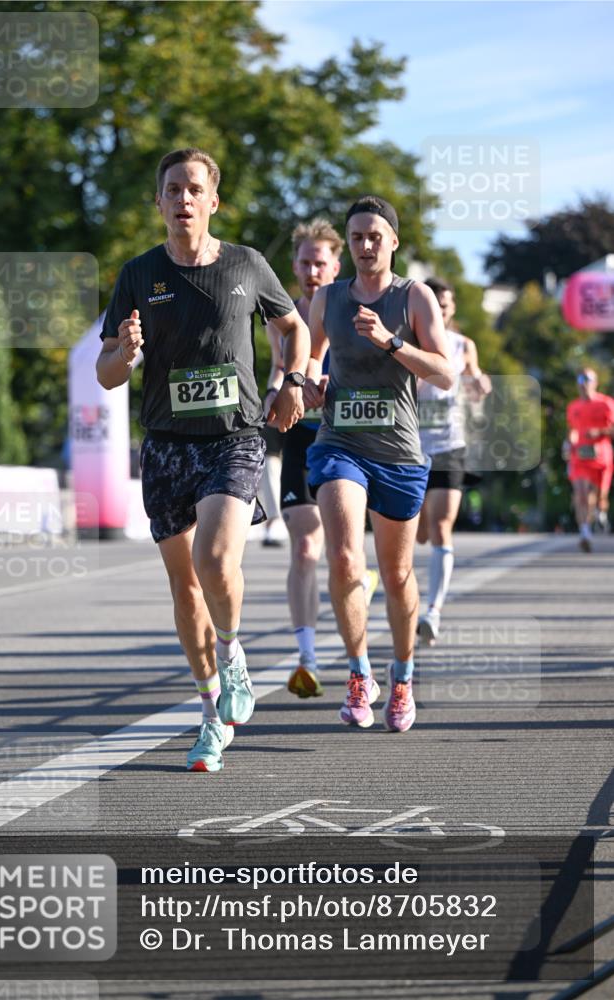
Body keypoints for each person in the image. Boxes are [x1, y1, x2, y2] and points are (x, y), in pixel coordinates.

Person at [96, 147, 309, 771]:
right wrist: (125, 352)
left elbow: (293, 328)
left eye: (194, 188)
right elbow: (107, 374)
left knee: (213, 558)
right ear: (158, 202)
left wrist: (292, 380)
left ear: (213, 201)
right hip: (165, 446)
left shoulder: (247, 265)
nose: (183, 199)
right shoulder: (138, 274)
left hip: (235, 437)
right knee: (185, 588)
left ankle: (235, 650)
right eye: (171, 189)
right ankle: (212, 715)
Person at [304, 195, 452, 732]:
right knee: (344, 558)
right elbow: (307, 354)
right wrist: (307, 383)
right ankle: (359, 672)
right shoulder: (327, 298)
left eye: (375, 236)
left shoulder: (413, 297)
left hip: (400, 454)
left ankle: (404, 675)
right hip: (340, 443)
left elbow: (444, 372)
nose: (366, 245)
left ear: (392, 241)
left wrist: (392, 343)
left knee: (396, 574)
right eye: (357, 237)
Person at [265, 219, 378, 698]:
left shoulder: (354, 309)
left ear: (337, 265)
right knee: (305, 548)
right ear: (295, 267)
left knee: (340, 553)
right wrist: (272, 396)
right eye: (305, 262)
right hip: (300, 437)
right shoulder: (283, 316)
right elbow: (278, 367)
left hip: (349, 441)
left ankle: (358, 596)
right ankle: (307, 658)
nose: (313, 270)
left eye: (321, 262)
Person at [415, 278, 491, 645]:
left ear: (452, 307)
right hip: (411, 444)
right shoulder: (409, 341)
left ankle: (433, 610)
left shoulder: (464, 345)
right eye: (434, 302)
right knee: (417, 532)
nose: (441, 309)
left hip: (449, 443)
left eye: (445, 304)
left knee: (442, 525)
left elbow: (474, 378)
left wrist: (479, 383)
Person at [564, 368, 614, 552]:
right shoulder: (573, 407)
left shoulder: (606, 404)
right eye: (580, 379)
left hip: (602, 456)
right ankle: (585, 532)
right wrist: (569, 442)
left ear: (595, 382)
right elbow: (572, 430)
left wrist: (599, 432)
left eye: (587, 379)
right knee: (581, 492)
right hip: (580, 456)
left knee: (600, 496)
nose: (583, 383)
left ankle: (601, 512)